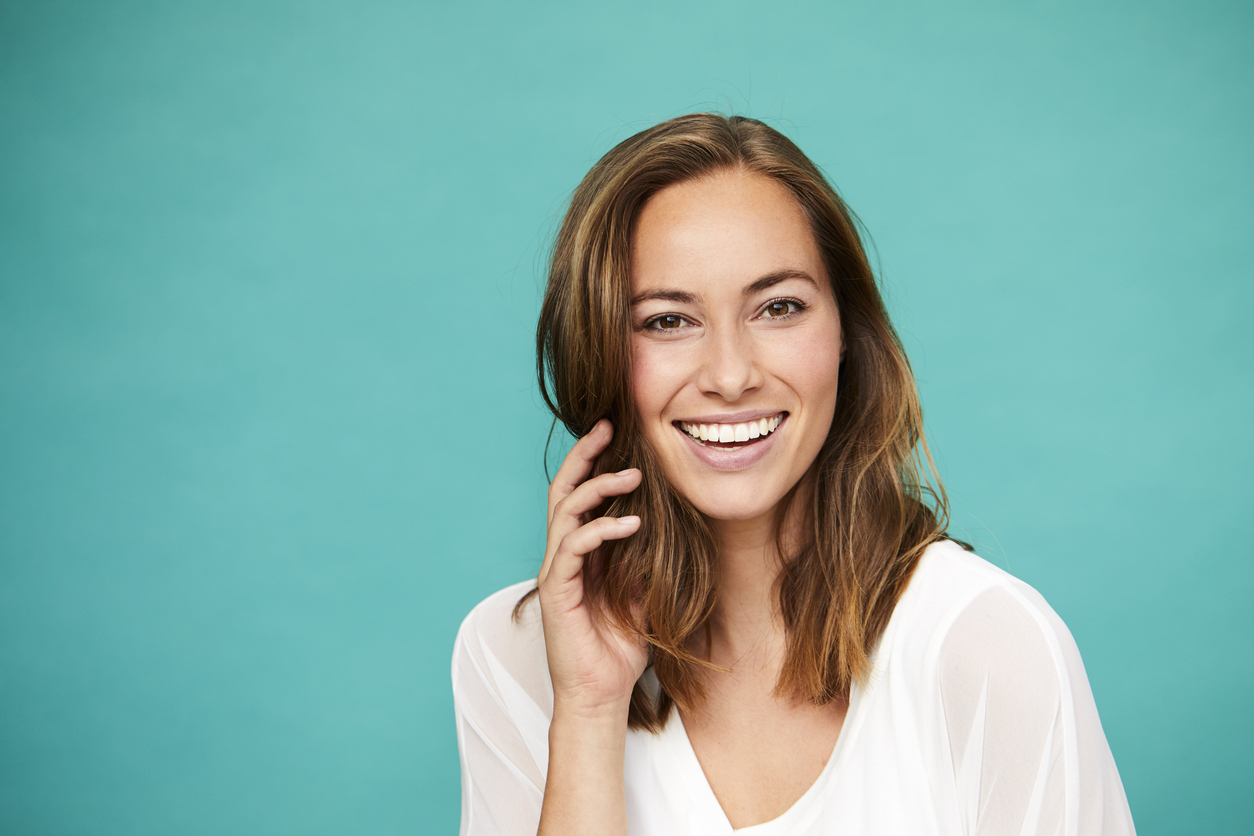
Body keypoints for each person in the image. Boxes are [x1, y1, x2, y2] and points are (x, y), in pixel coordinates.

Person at [451, 114, 1135, 835]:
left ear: (845, 334)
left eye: (779, 308)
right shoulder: (513, 654)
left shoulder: (988, 646)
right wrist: (587, 710)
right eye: (666, 321)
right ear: (600, 353)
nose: (731, 375)